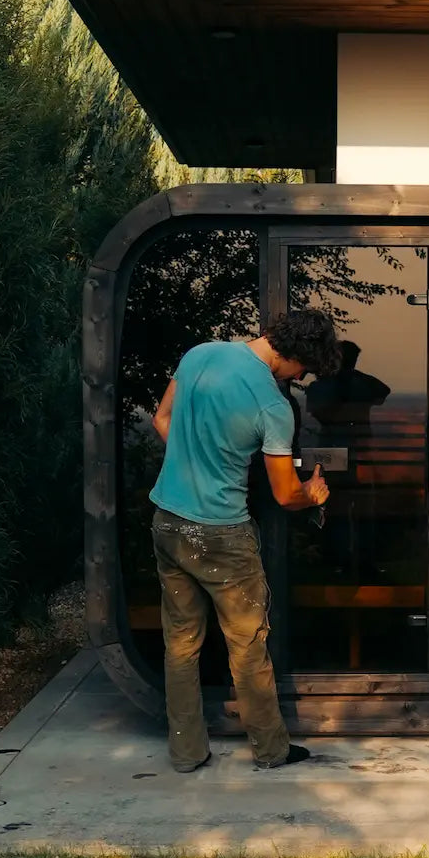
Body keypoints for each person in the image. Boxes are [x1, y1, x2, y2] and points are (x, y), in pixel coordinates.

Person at [150, 310, 341, 774]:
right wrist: (312, 493)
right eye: (305, 369)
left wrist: (195, 460)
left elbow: (161, 419)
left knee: (180, 644)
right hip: (222, 536)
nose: (300, 379)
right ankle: (271, 750)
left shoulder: (201, 353)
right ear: (295, 355)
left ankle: (186, 752)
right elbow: (284, 494)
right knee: (248, 645)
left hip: (170, 523)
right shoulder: (272, 406)